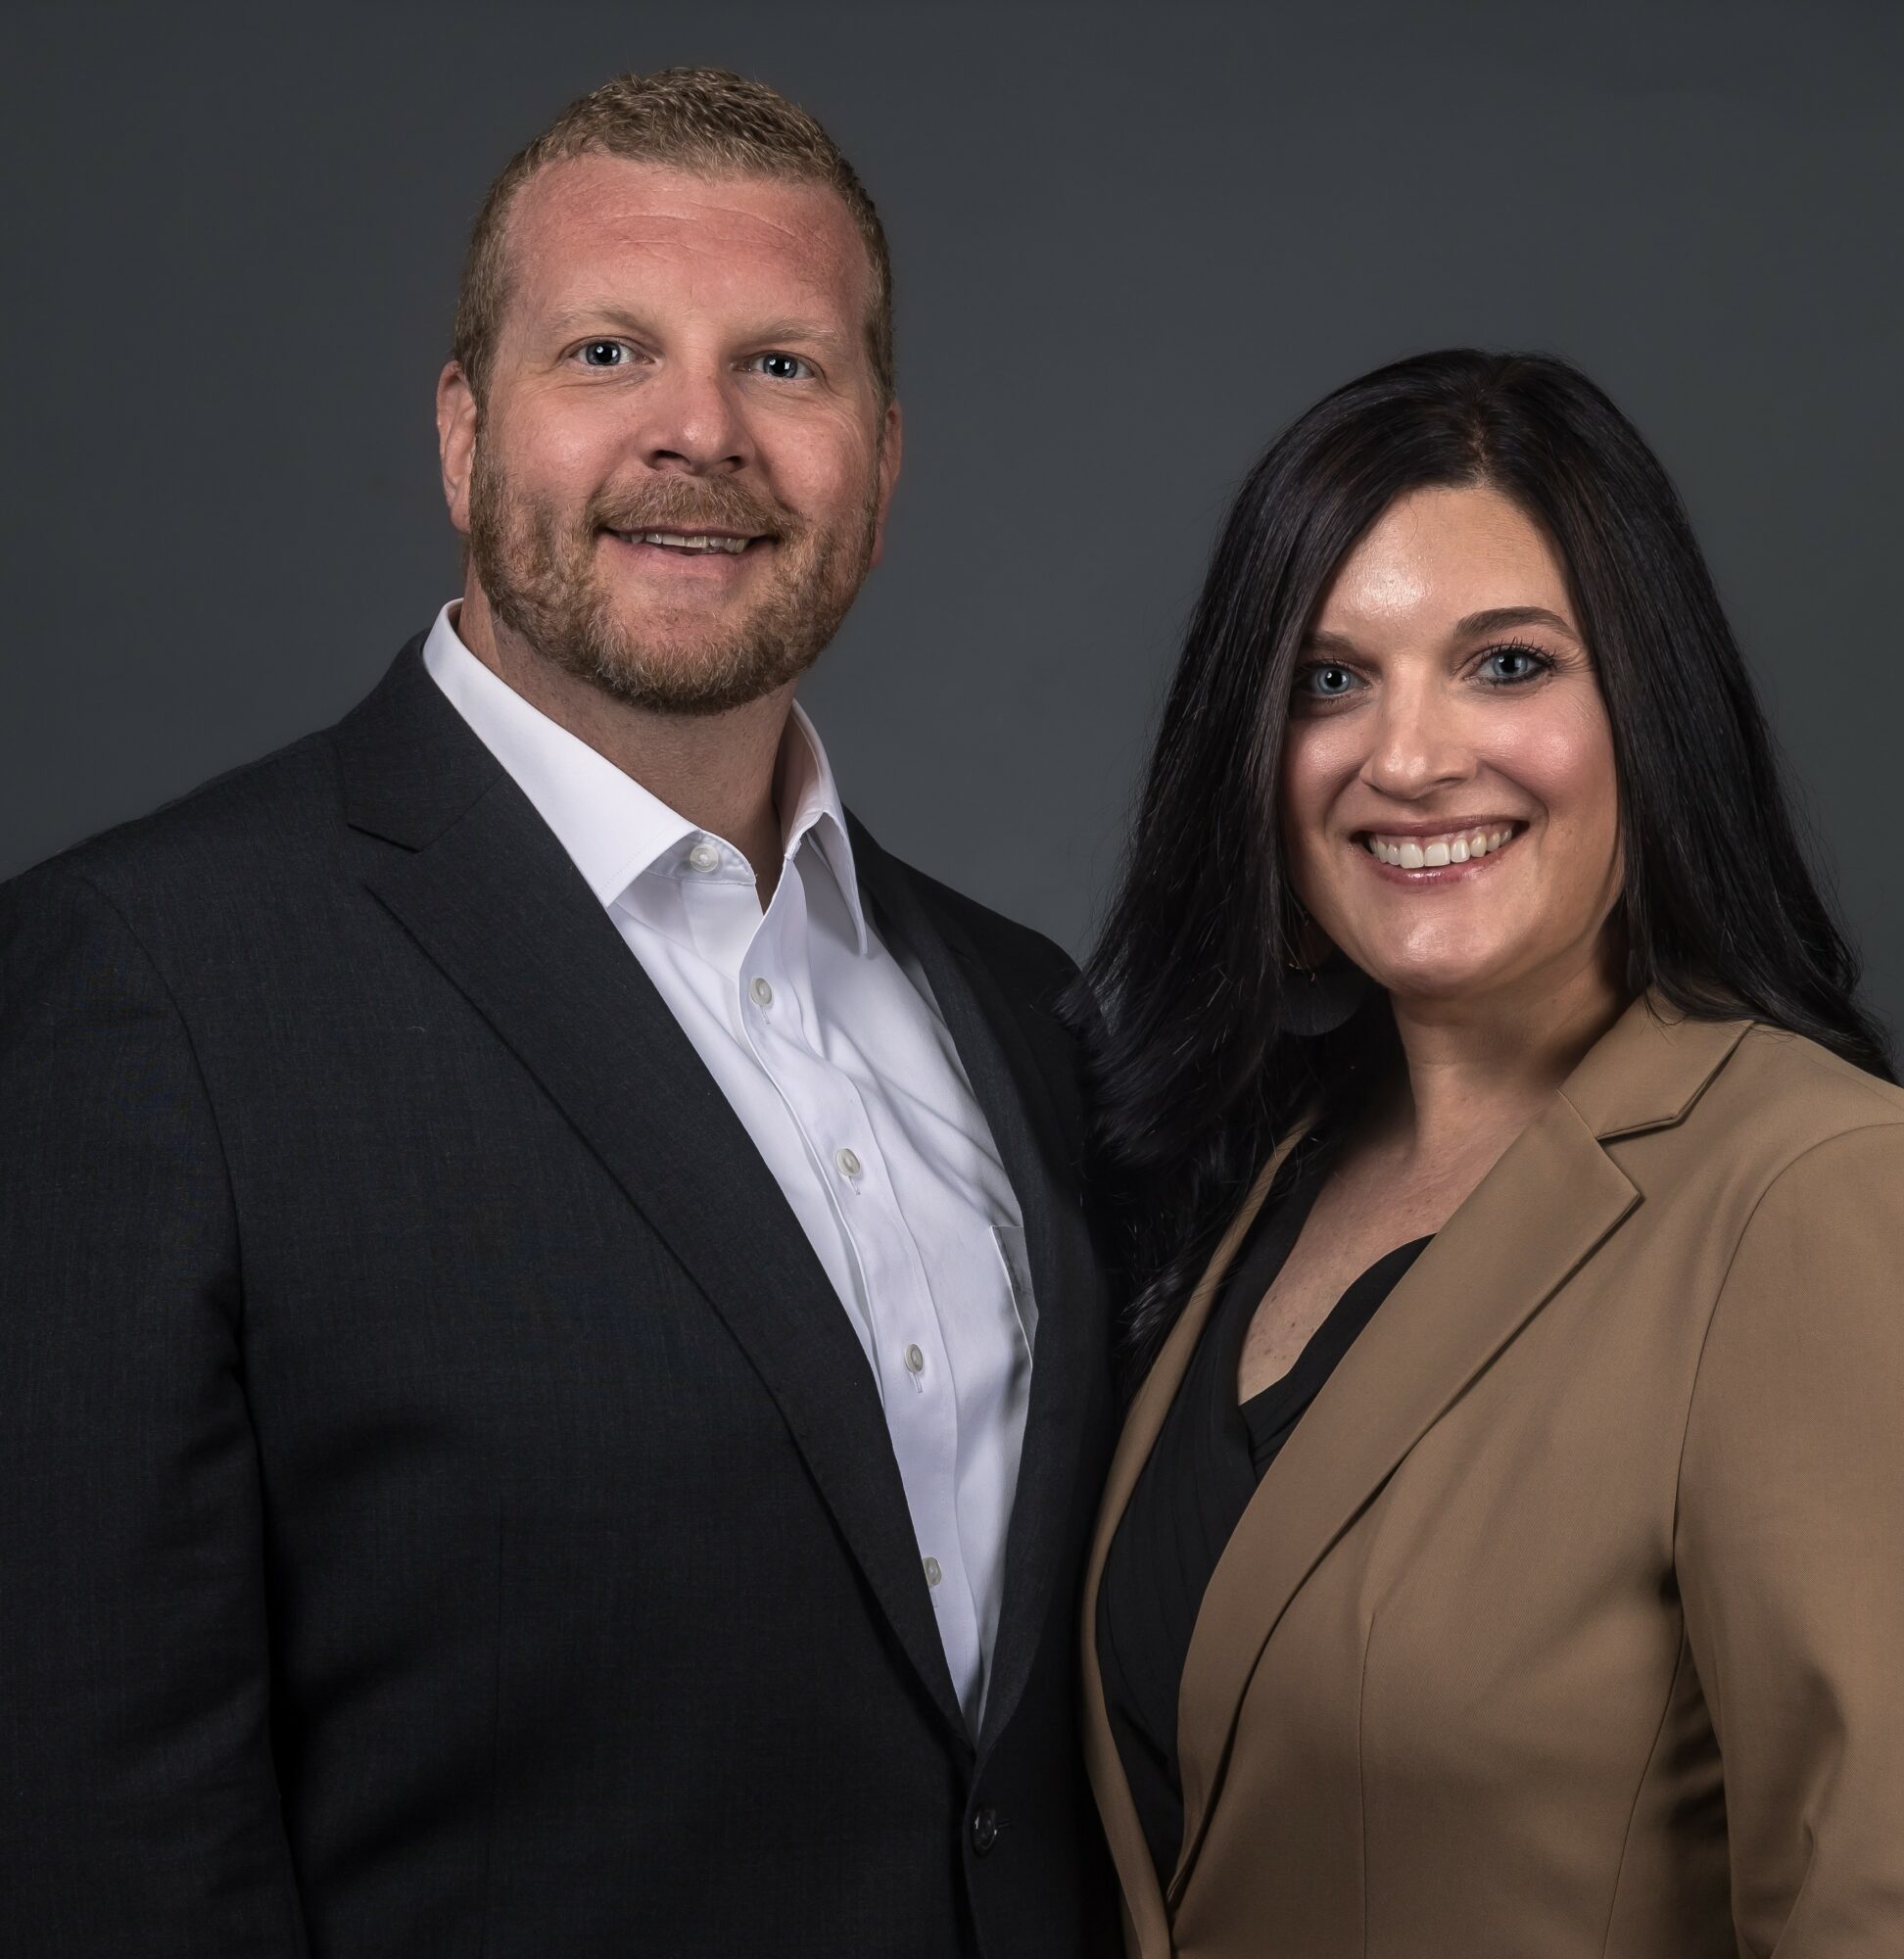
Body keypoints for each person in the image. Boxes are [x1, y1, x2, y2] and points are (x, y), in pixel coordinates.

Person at [0, 69, 1117, 1959]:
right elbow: (100, 1836)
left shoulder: (1023, 1008)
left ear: (883, 458)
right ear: (462, 435)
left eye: (784, 366)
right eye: (608, 352)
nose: (702, 431)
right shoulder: (144, 987)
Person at [1074, 349, 1904, 1957]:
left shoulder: (1826, 1197)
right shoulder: (1252, 1178)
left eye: (1505, 664)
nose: (1408, 757)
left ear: (1648, 710)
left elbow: (1891, 1915)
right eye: (1328, 680)